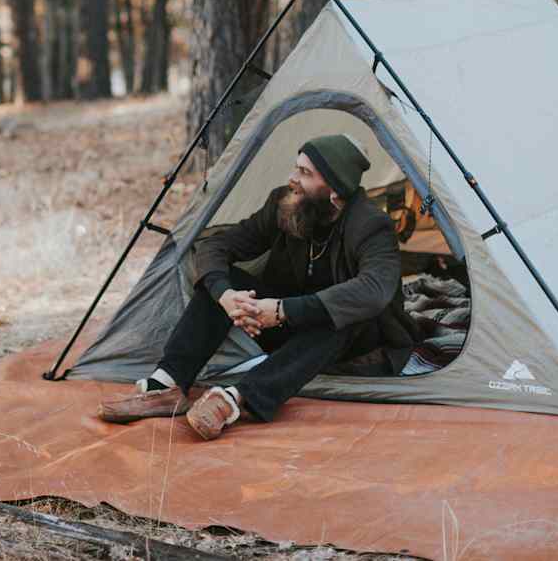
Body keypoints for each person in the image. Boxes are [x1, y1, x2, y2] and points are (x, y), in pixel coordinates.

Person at [98, 134, 420, 440]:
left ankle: (234, 399)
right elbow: (217, 246)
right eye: (296, 167)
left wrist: (281, 310)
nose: (293, 178)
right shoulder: (287, 204)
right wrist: (226, 296)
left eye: (305, 172)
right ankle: (165, 385)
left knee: (343, 314)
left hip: (351, 338)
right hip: (287, 328)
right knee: (227, 281)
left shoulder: (371, 225)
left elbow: (373, 291)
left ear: (334, 190)